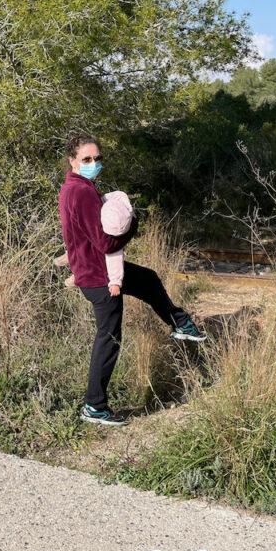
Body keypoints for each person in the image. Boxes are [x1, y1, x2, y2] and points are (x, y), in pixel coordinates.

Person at [57, 134, 207, 427]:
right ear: (72, 161)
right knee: (109, 338)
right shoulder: (82, 192)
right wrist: (133, 224)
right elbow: (107, 244)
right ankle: (94, 406)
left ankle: (181, 324)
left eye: (97, 158)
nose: (93, 164)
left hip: (93, 270)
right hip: (100, 277)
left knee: (148, 280)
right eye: (86, 159)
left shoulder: (72, 187)